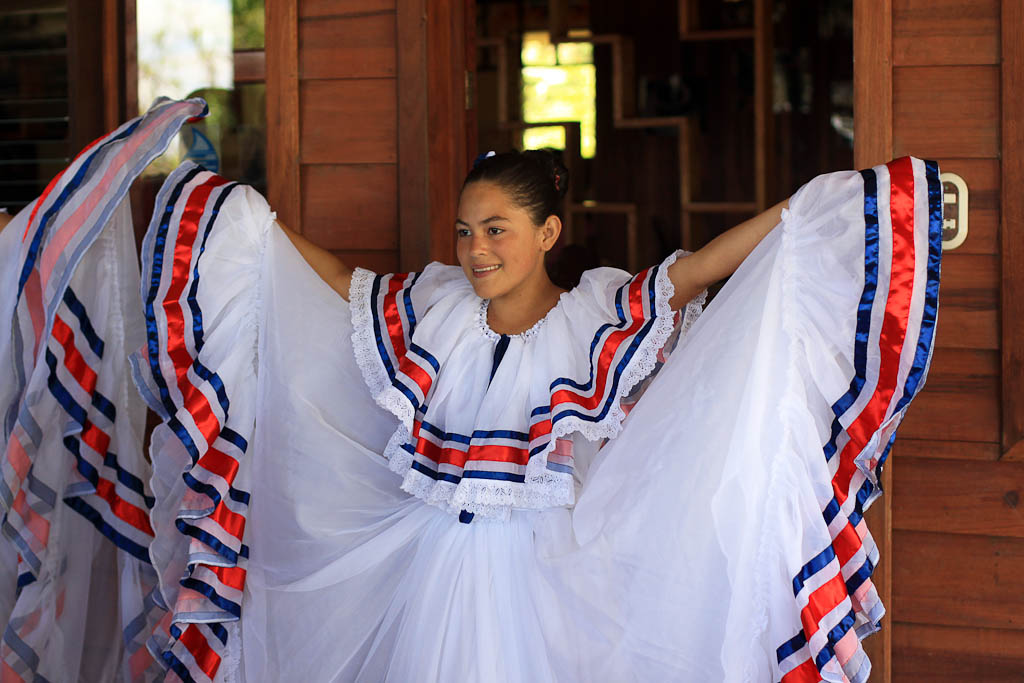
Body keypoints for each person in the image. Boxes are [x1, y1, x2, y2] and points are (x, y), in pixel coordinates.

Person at [134, 149, 941, 682]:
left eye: (496, 230)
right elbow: (348, 282)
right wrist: (263, 230)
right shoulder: (440, 304)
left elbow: (698, 270)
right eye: (464, 230)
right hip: (433, 565)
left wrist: (800, 214)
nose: (475, 248)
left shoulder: (594, 312)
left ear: (547, 233)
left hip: (549, 573)